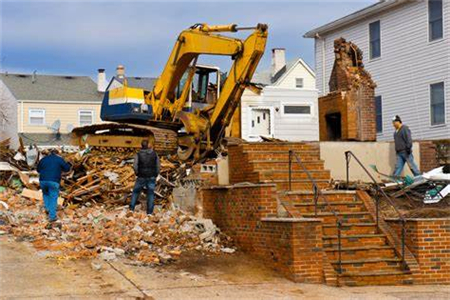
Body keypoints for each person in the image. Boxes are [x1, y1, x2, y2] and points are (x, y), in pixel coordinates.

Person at [37, 149, 71, 224]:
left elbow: (38, 170)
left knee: (45, 194)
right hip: (53, 181)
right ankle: (52, 217)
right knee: (53, 197)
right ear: (57, 154)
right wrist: (67, 164)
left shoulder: (43, 159)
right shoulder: (59, 159)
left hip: (42, 180)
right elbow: (67, 168)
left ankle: (48, 208)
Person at [130, 140, 160, 214]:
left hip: (141, 176)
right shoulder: (154, 154)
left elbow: (135, 166)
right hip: (151, 176)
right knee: (150, 194)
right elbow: (158, 166)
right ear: (148, 145)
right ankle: (149, 213)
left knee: (135, 192)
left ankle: (131, 209)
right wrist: (155, 174)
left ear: (141, 146)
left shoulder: (138, 154)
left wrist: (137, 173)